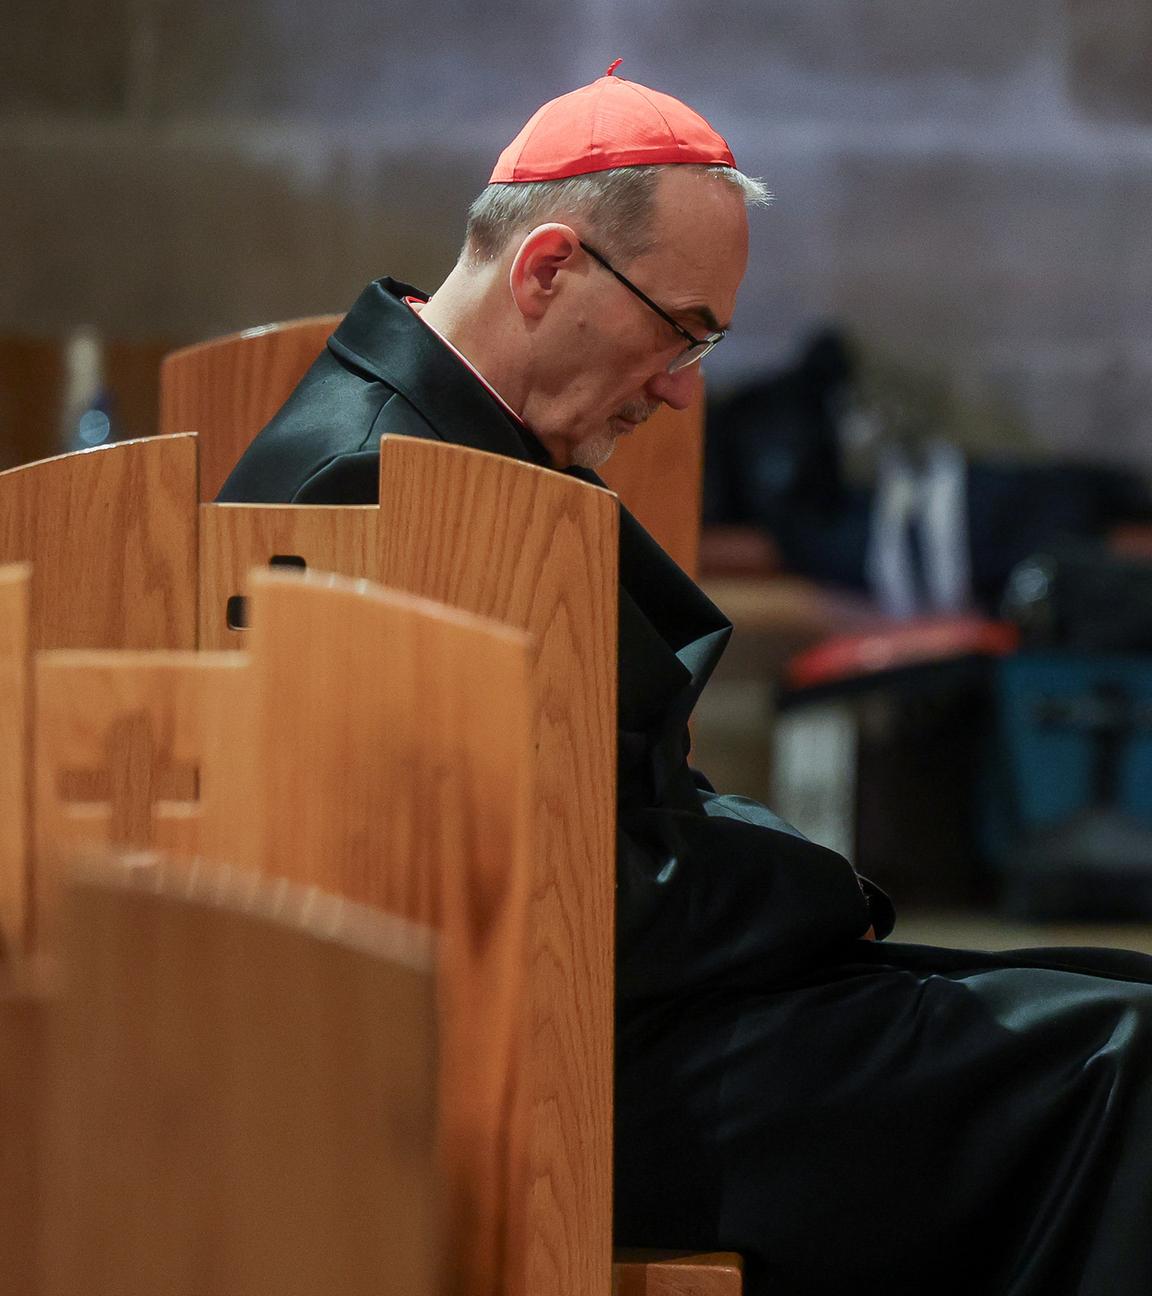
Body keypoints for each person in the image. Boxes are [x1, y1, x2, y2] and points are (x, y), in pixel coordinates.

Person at [219, 66, 1152, 1296]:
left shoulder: (449, 434)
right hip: (531, 1080)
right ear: (549, 269)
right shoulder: (374, 485)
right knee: (1123, 1063)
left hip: (613, 1021)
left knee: (1110, 998)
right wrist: (812, 887)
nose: (680, 387)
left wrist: (792, 889)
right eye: (683, 330)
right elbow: (502, 885)